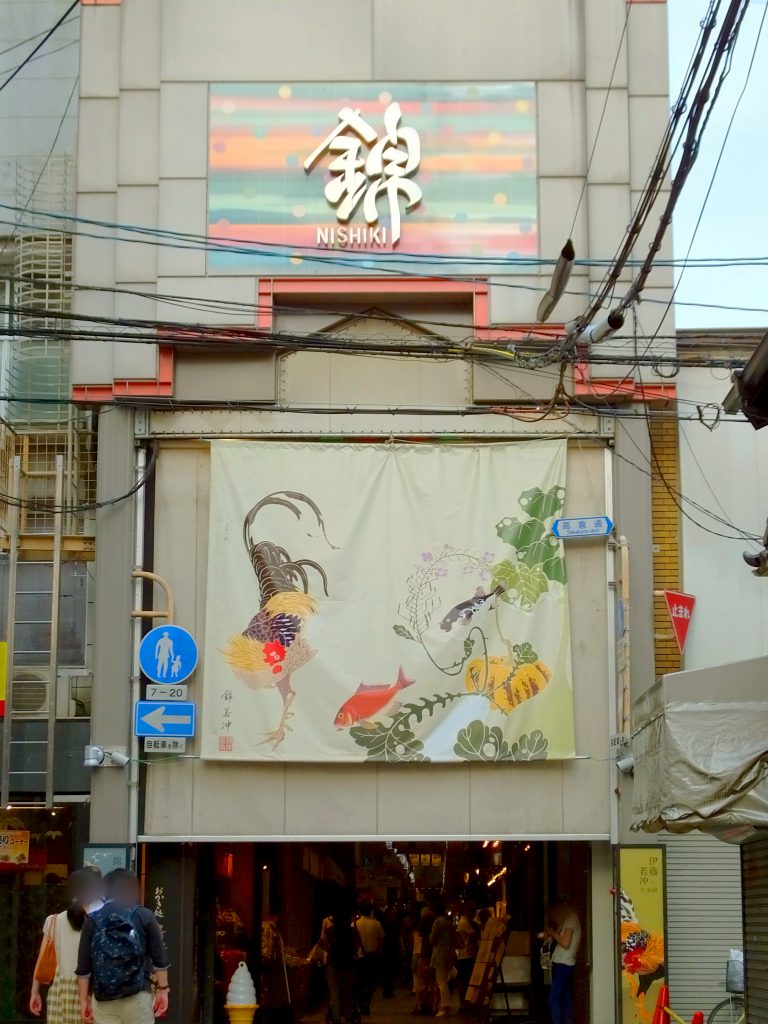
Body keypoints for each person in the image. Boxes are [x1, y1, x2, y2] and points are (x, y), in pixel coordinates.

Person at [76, 869, 171, 1024]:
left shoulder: (92, 920)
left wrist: (83, 1001)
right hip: (137, 998)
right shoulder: (144, 915)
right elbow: (160, 960)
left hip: (103, 1001)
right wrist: (163, 990)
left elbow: (83, 968)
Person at [30, 870, 104, 1023]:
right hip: (89, 989)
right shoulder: (98, 922)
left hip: (59, 990)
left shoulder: (53, 920)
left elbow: (42, 958)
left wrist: (34, 992)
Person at [322, 902, 361, 1024]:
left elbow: (323, 943)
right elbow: (357, 944)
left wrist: (331, 950)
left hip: (334, 963)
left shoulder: (330, 930)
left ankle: (336, 1016)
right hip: (348, 963)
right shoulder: (352, 930)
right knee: (348, 991)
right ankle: (349, 1014)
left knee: (334, 991)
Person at [545, 901, 581, 1024]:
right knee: (565, 998)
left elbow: (565, 943)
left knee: (553, 999)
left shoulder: (571, 920)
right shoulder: (568, 920)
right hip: (563, 964)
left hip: (563, 964)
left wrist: (553, 934)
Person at [354, 902, 384, 1016]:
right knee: (371, 982)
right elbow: (381, 942)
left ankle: (362, 1004)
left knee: (360, 983)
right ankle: (367, 1002)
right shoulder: (376, 924)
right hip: (373, 957)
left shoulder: (355, 924)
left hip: (360, 958)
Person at [429, 900, 456, 1018]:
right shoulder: (448, 922)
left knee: (441, 981)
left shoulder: (438, 922)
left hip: (440, 953)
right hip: (448, 952)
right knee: (444, 979)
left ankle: (445, 1006)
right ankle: (445, 1005)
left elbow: (432, 939)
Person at [454, 901, 479, 1011]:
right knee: (465, 980)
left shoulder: (464, 921)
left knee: (464, 980)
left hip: (464, 954)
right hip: (466, 955)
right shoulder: (464, 922)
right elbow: (474, 936)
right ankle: (465, 1003)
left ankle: (465, 1002)